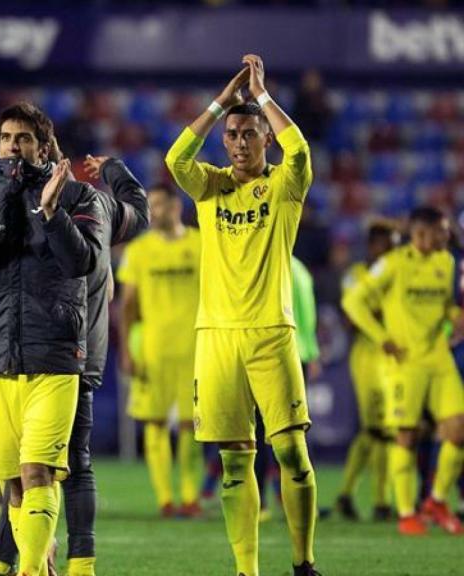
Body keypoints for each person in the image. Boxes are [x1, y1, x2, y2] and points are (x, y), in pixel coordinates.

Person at [164, 54, 319, 576]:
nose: (237, 142)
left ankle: (303, 562)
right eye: (231, 134)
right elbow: (175, 160)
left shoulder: (283, 188)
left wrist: (263, 96)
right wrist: (220, 103)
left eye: (248, 134)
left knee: (293, 454)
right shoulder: (210, 187)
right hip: (217, 338)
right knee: (234, 463)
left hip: (272, 335)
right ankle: (246, 570)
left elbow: (300, 149)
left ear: (264, 140)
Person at [0, 101, 107, 576]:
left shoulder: (78, 198)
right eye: (6, 138)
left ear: (43, 146)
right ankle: (39, 563)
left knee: (39, 473)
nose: (13, 147)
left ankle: (30, 571)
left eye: (24, 139)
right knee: (13, 483)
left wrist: (52, 213)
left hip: (54, 355)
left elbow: (83, 264)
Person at [342, 206, 464, 536]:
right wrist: (381, 338)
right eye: (425, 235)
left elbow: (446, 305)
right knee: (406, 436)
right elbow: (353, 301)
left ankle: (437, 501)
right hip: (405, 363)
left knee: (458, 431)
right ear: (414, 233)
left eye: (438, 234)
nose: (433, 240)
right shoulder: (393, 264)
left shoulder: (447, 263)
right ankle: (408, 513)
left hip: (439, 359)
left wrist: (454, 317)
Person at [118, 185, 202, 518]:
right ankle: (166, 498)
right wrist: (126, 350)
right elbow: (126, 306)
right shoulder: (138, 251)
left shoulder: (201, 244)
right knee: (153, 423)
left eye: (160, 205)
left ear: (176, 206)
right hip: (152, 349)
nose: (154, 212)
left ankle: (190, 496)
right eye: (149, 206)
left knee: (190, 425)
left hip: (194, 349)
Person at [331, 222, 397, 522]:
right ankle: (381, 501)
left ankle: (348, 495)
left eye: (394, 245)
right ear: (372, 246)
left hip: (394, 356)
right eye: (386, 245)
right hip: (367, 354)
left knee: (385, 431)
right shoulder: (355, 276)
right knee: (378, 430)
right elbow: (349, 319)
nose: (390, 252)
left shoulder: (395, 273)